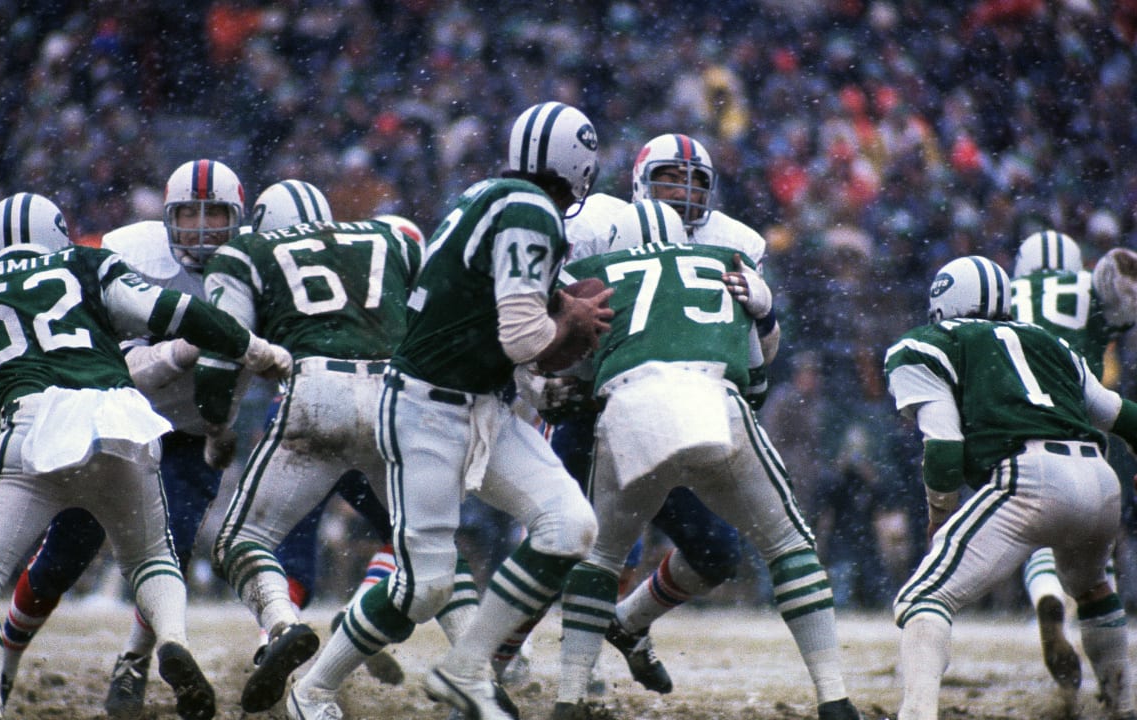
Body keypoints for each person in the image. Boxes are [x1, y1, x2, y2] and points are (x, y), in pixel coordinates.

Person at [0, 192, 292, 720]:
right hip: (122, 417)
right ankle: (172, 640)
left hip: (34, 425)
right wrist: (255, 349)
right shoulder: (86, 262)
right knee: (153, 558)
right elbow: (173, 311)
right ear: (59, 233)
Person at [284, 100, 611, 720]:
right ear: (580, 163)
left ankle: (466, 668)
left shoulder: (490, 195)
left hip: (481, 407)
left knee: (571, 525)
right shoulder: (530, 211)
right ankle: (313, 690)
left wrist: (553, 336)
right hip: (425, 411)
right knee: (423, 585)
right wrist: (568, 320)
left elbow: (493, 321)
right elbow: (522, 337)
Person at [551, 200, 863, 720]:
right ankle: (834, 698)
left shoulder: (592, 275)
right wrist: (764, 315)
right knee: (788, 544)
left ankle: (567, 697)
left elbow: (576, 377)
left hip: (628, 411)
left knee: (599, 557)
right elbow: (757, 376)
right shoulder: (726, 261)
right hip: (712, 401)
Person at [516, 132, 774, 694]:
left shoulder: (733, 243)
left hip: (681, 412)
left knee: (716, 551)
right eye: (668, 178)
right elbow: (541, 313)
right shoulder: (595, 226)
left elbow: (757, 353)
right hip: (593, 409)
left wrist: (766, 312)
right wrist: (545, 380)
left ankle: (629, 625)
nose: (681, 191)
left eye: (694, 180)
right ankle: (511, 649)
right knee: (568, 538)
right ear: (639, 183)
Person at [0, 160, 249, 719]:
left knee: (171, 549)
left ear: (240, 218)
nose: (203, 228)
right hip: (119, 418)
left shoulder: (256, 264)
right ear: (166, 215)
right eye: (190, 212)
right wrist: (177, 353)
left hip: (189, 432)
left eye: (215, 213)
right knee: (65, 553)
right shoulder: (129, 251)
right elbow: (95, 339)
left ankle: (133, 663)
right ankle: (5, 662)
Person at [195, 208, 430, 713]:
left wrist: (218, 425)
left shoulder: (257, 255)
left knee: (260, 545)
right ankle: (471, 668)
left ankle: (278, 630)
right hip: (388, 403)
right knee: (418, 539)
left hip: (309, 410)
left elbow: (228, 353)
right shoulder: (382, 238)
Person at [885, 255, 1137, 720]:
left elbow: (942, 449)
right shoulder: (1051, 343)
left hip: (1031, 477)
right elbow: (1123, 416)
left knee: (923, 596)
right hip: (1100, 481)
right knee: (1093, 587)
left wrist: (940, 517)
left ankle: (916, 713)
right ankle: (1123, 704)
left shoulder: (928, 344)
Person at [1008, 230, 1137, 694]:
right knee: (1093, 568)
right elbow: (1126, 291)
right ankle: (1120, 696)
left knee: (1033, 528)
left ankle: (1045, 592)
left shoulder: (1003, 293)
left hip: (1017, 425)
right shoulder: (1089, 289)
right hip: (1083, 425)